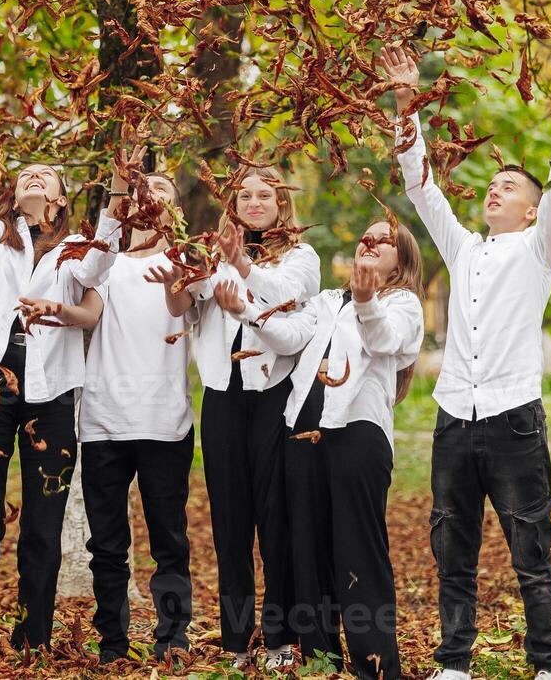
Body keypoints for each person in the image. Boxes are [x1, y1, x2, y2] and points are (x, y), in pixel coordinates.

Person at [380, 47, 551, 680]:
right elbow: (420, 185)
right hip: (453, 421)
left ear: (530, 208)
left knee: (531, 552)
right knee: (453, 550)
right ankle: (454, 664)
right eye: (493, 184)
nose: (495, 190)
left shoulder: (540, 248)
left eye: (510, 187)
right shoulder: (462, 247)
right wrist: (406, 106)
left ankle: (547, 666)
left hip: (514, 417)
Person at [217, 219, 424, 680]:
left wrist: (368, 301)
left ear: (402, 259)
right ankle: (321, 661)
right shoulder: (329, 300)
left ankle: (376, 667)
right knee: (305, 549)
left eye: (381, 240)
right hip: (299, 434)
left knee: (358, 550)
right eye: (363, 237)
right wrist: (247, 312)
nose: (368, 243)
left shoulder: (403, 304)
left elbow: (385, 340)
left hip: (357, 435)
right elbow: (289, 337)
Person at [0, 94, 118, 650]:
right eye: (27, 176)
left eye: (47, 176)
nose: (36, 180)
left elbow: (102, 260)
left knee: (43, 517)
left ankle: (32, 633)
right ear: (13, 193)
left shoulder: (75, 249)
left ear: (62, 199)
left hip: (50, 392)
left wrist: (119, 189)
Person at [150, 166, 320, 670]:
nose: (253, 201)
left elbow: (278, 297)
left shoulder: (301, 257)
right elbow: (188, 303)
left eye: (263, 194)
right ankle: (237, 640)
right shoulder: (214, 252)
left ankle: (281, 638)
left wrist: (240, 263)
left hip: (274, 396)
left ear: (281, 202)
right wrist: (173, 283)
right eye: (244, 194)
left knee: (275, 519)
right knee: (229, 523)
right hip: (223, 396)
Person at [73, 154, 195, 665]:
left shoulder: (188, 265)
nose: (154, 193)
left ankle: (173, 636)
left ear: (175, 207)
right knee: (107, 544)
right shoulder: (107, 265)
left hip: (166, 423)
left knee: (168, 536)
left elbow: (179, 306)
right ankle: (113, 643)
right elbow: (88, 313)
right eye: (146, 188)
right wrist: (61, 312)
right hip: (104, 421)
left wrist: (175, 271)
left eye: (163, 187)